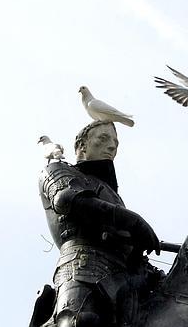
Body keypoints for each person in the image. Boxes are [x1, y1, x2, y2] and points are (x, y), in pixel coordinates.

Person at [33, 121, 160, 327]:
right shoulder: (57, 170)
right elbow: (66, 199)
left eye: (115, 143)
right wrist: (134, 221)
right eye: (104, 138)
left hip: (126, 279)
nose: (112, 146)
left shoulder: (111, 194)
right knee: (78, 322)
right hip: (82, 269)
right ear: (82, 146)